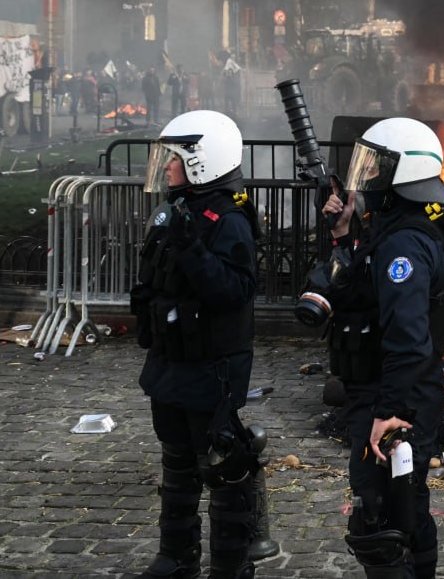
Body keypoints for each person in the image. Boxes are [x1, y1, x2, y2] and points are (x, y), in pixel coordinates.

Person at [318, 117, 444, 578]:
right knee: (409, 508)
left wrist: (388, 412)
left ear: (402, 175)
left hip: (394, 395)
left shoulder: (405, 243)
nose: (367, 179)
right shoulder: (405, 227)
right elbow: (362, 292)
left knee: (378, 518)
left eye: (376, 169)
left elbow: (406, 339)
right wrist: (344, 235)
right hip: (399, 390)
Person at [129, 110, 266, 579]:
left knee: (223, 464)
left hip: (212, 365)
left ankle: (231, 564)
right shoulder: (174, 209)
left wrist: (192, 247)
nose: (167, 167)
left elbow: (234, 292)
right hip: (170, 361)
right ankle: (176, 554)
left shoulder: (227, 219)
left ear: (202, 162)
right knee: (177, 463)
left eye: (175, 158)